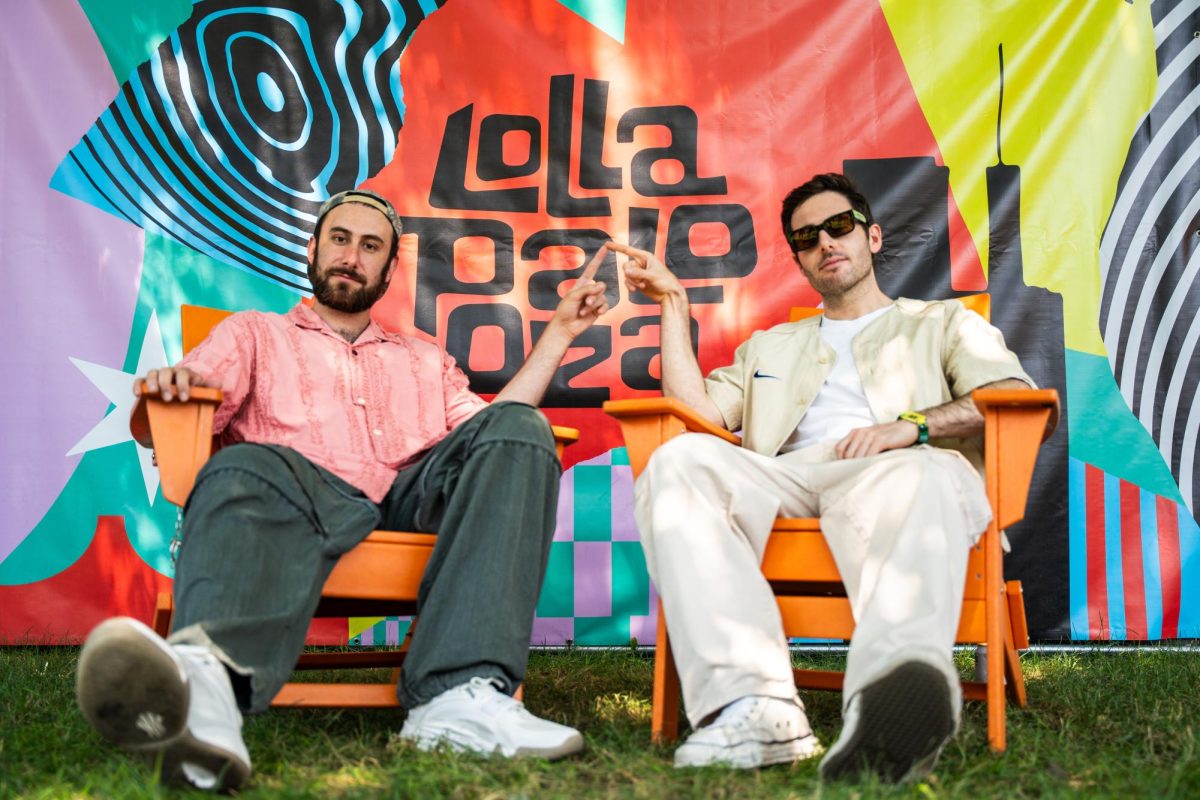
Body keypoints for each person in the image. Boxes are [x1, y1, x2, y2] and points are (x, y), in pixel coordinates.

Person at [76, 189, 610, 791]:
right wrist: (175, 384)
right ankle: (206, 692)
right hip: (299, 497)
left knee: (522, 430)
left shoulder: (426, 359)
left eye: (370, 246)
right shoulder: (254, 334)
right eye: (339, 238)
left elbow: (493, 436)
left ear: (387, 271)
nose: (351, 256)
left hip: (415, 503)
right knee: (243, 462)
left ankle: (456, 697)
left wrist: (561, 332)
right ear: (313, 249)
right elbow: (180, 401)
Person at [605, 172, 1033, 782]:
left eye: (838, 227)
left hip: (895, 470)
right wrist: (673, 302)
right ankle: (756, 706)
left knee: (927, 473)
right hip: (784, 483)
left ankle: (892, 695)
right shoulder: (771, 346)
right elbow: (697, 417)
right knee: (677, 461)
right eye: (807, 238)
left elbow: (1011, 394)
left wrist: (911, 425)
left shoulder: (942, 321)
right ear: (801, 260)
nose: (825, 243)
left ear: (873, 236)